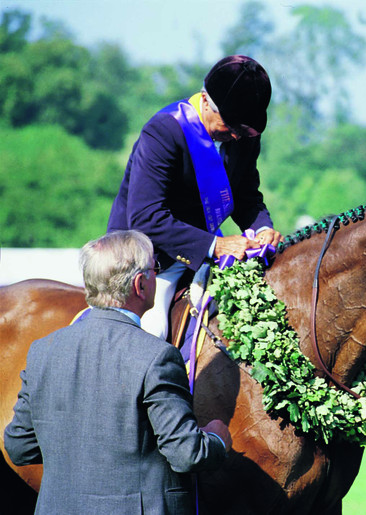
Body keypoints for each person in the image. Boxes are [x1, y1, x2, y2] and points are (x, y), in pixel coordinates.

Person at [4, 230, 232, 514]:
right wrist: (218, 439)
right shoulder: (158, 357)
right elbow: (188, 454)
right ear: (140, 284)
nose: (155, 275)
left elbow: (19, 446)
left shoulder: (42, 352)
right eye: (154, 268)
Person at [107, 55, 282, 340]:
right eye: (232, 127)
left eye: (244, 131)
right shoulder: (163, 131)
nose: (238, 137)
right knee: (152, 333)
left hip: (202, 257)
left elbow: (246, 195)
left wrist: (263, 228)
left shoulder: (243, 134)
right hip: (147, 262)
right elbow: (146, 217)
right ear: (206, 101)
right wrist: (216, 246)